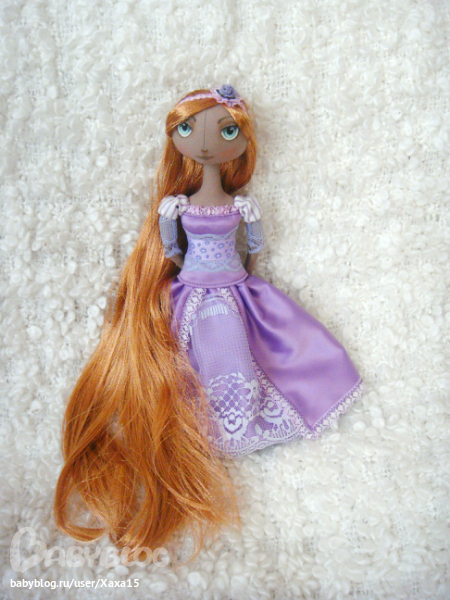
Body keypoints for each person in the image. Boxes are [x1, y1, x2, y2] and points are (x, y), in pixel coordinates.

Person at [54, 85, 364, 563]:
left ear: (243, 140)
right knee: (183, 356)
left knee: (240, 347)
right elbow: (172, 248)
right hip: (193, 287)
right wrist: (184, 269)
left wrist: (245, 273)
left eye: (225, 131)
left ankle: (245, 419)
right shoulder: (178, 207)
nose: (203, 143)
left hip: (233, 286)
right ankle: (194, 428)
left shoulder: (240, 207)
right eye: (187, 129)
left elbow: (254, 247)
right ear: (175, 137)